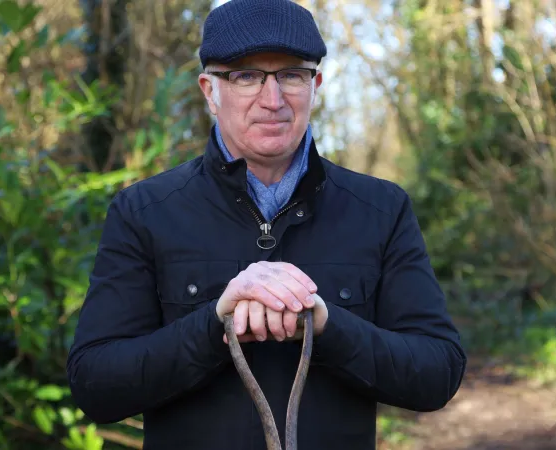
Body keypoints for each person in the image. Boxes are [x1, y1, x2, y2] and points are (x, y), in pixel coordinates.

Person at [66, 0, 467, 448]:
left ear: (315, 86)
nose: (272, 100)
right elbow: (95, 385)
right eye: (246, 76)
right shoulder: (144, 211)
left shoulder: (380, 209)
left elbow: (438, 372)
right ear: (210, 91)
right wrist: (215, 324)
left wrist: (327, 326)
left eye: (291, 75)